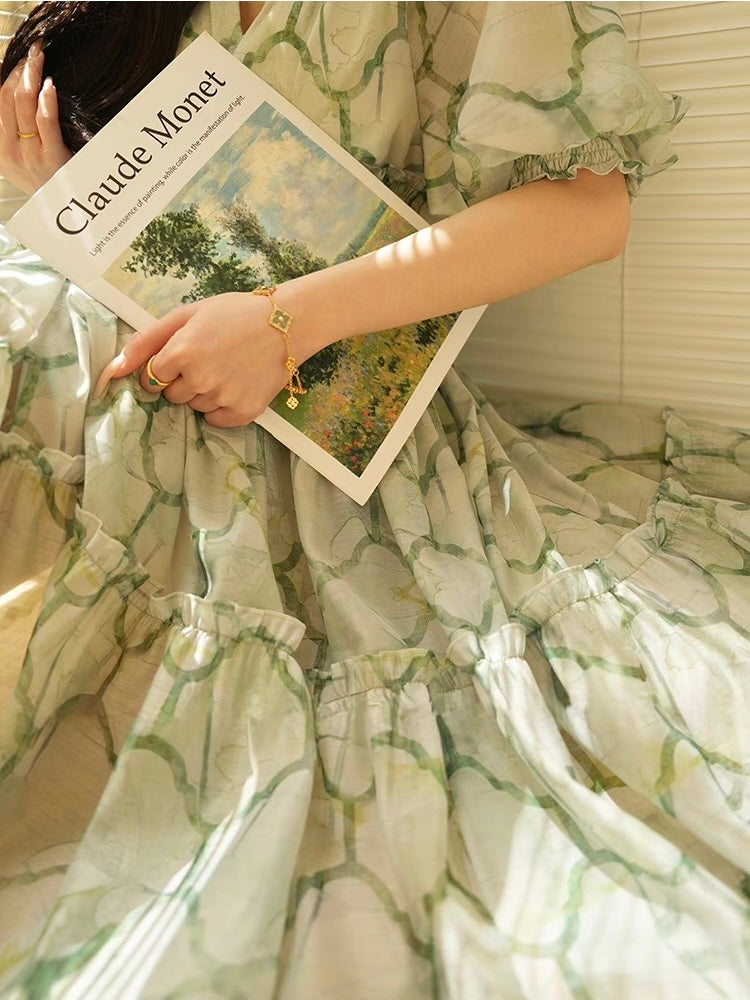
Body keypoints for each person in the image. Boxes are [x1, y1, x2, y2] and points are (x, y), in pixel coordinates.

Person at [0, 3, 748, 998]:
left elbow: (587, 210)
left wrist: (285, 324)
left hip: (293, 426)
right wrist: (73, 208)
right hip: (58, 360)